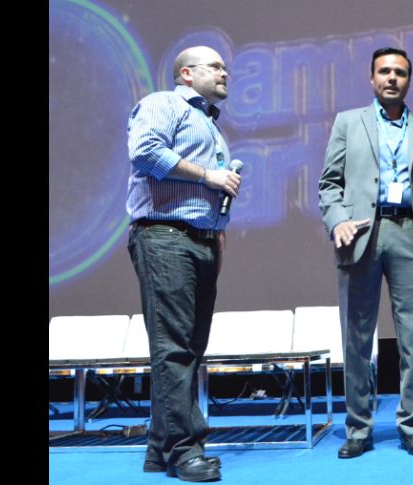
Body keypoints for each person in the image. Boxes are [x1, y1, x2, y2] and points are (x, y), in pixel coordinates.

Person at [318, 47, 413, 459]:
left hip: (410, 233)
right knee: (357, 339)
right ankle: (358, 428)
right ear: (372, 78)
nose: (392, 77)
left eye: (400, 72)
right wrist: (337, 220)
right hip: (360, 236)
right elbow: (329, 184)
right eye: (384, 71)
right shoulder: (347, 122)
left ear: (409, 80)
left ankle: (412, 425)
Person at [126, 45, 242, 481]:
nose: (224, 72)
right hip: (164, 237)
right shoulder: (163, 104)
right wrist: (208, 175)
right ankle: (185, 450)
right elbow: (145, 152)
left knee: (189, 350)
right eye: (215, 66)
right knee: (174, 348)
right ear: (187, 74)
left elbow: (204, 190)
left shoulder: (210, 124)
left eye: (224, 66)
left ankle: (159, 449)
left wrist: (217, 230)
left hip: (201, 241)